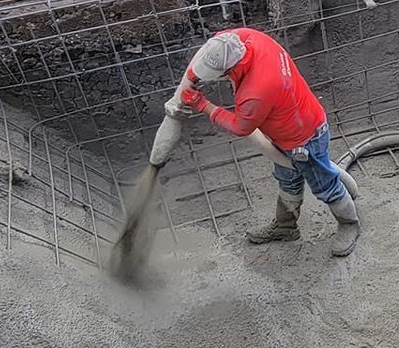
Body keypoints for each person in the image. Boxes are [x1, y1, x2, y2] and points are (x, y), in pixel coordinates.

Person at [151, 27, 361, 256]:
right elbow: (212, 47)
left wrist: (202, 105)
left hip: (305, 138)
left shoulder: (256, 90)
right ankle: (286, 227)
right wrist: (192, 77)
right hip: (287, 129)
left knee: (325, 186)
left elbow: (242, 127)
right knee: (287, 178)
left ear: (231, 69)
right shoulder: (247, 38)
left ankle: (349, 224)